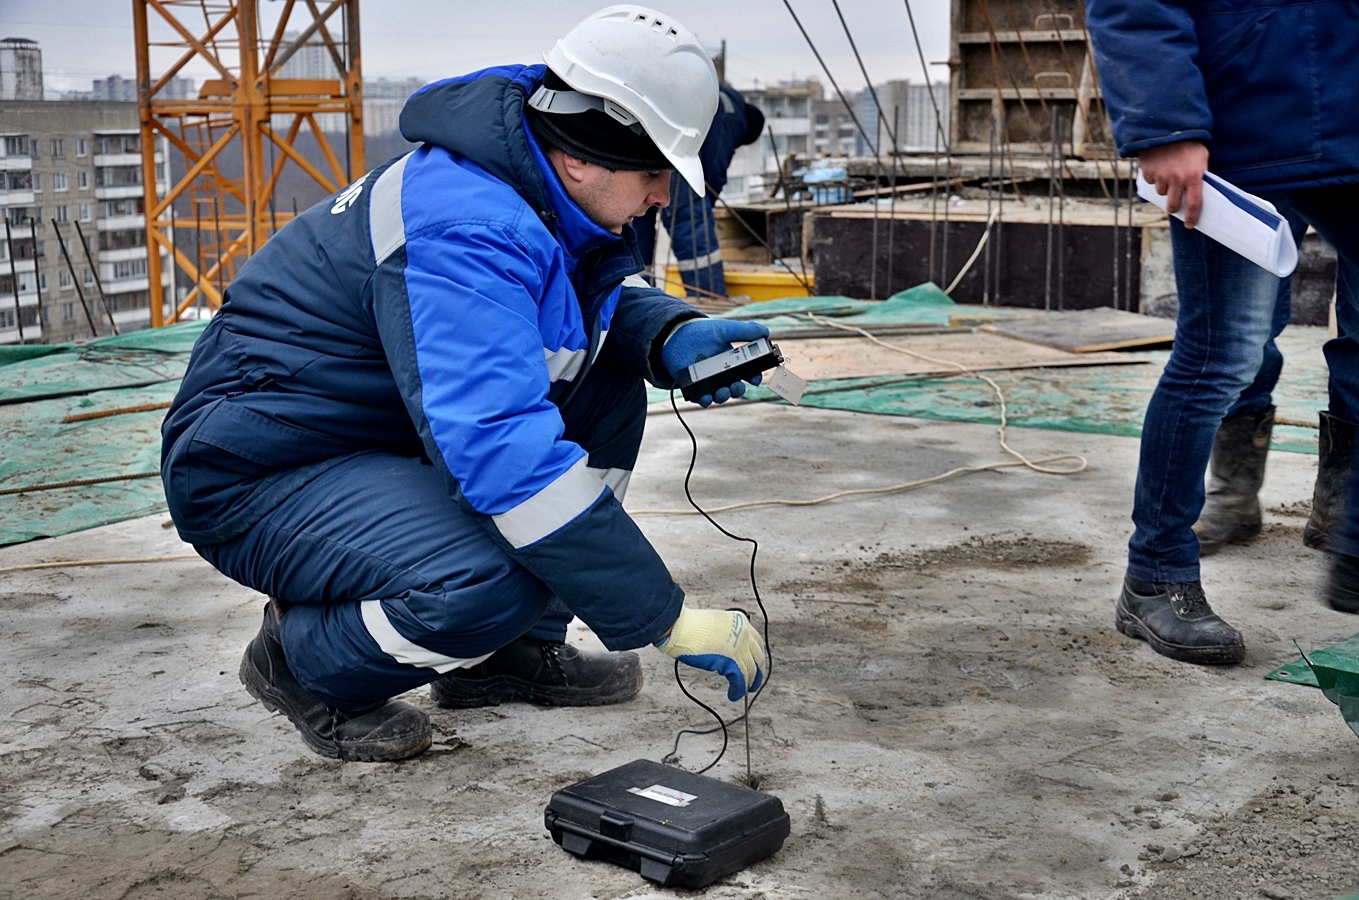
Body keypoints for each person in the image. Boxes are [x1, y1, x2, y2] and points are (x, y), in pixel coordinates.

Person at [161, 6, 769, 762]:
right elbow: (500, 452)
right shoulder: (467, 225)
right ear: (583, 157)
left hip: (368, 435)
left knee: (607, 388)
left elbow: (554, 294)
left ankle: (507, 656)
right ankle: (305, 661)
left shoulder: (534, 177)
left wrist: (664, 331)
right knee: (482, 578)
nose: (660, 200)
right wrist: (666, 618)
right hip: (261, 470)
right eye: (655, 176)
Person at [1085, 0, 1359, 664]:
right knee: (1222, 356)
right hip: (1240, 129)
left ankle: (1349, 533)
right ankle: (1155, 573)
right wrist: (1164, 121)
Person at [632, 83, 765, 296]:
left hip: (643, 144)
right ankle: (707, 296)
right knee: (692, 225)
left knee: (636, 220)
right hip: (677, 155)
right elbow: (714, 169)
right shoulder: (732, 116)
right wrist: (704, 203)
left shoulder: (719, 93)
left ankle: (635, 295)